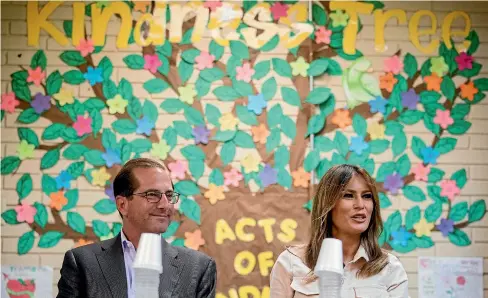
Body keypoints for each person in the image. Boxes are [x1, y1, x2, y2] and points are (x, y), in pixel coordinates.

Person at [57, 158, 217, 298]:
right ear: (122, 205)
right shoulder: (82, 263)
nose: (165, 204)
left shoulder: (198, 267)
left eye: (169, 195)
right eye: (152, 194)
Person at [270, 164, 408, 298]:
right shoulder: (290, 262)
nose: (360, 205)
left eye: (367, 196)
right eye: (348, 195)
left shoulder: (389, 267)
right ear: (327, 204)